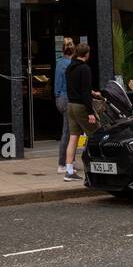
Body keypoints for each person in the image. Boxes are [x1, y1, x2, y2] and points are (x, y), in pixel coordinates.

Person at [63, 42, 97, 181]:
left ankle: (69, 170)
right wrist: (90, 112)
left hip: (70, 105)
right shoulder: (85, 69)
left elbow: (76, 87)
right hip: (80, 106)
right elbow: (84, 92)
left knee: (73, 137)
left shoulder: (70, 67)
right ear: (87, 54)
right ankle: (95, 167)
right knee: (96, 134)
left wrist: (91, 92)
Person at [53, 38, 76, 173]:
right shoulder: (71, 64)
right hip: (68, 98)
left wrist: (58, 96)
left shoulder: (59, 62)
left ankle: (70, 160)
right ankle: (62, 164)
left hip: (60, 98)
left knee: (71, 131)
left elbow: (57, 85)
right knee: (68, 132)